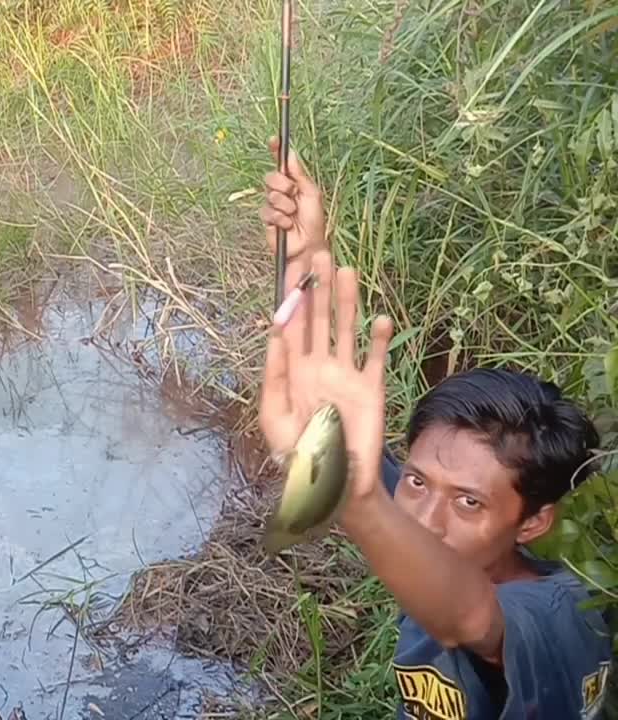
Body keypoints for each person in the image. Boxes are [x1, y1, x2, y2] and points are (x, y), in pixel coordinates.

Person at [256, 138, 614, 719]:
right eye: (417, 482)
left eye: (470, 503)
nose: (425, 520)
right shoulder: (411, 501)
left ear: (533, 522)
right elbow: (323, 412)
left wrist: (358, 500)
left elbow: (471, 617)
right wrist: (304, 257)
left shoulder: (559, 615)